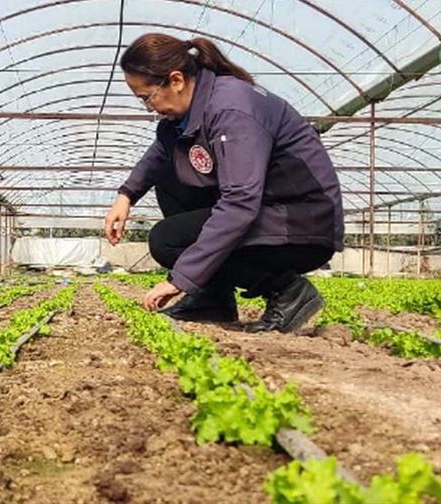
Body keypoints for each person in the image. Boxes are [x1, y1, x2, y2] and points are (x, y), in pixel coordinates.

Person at [104, 34, 344, 333]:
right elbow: (162, 153)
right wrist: (126, 196)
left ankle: (287, 290)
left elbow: (240, 203)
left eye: (147, 97)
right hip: (270, 208)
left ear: (176, 80)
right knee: (170, 171)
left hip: (302, 223)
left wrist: (181, 279)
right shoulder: (193, 110)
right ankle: (213, 297)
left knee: (167, 241)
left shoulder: (231, 109)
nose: (148, 107)